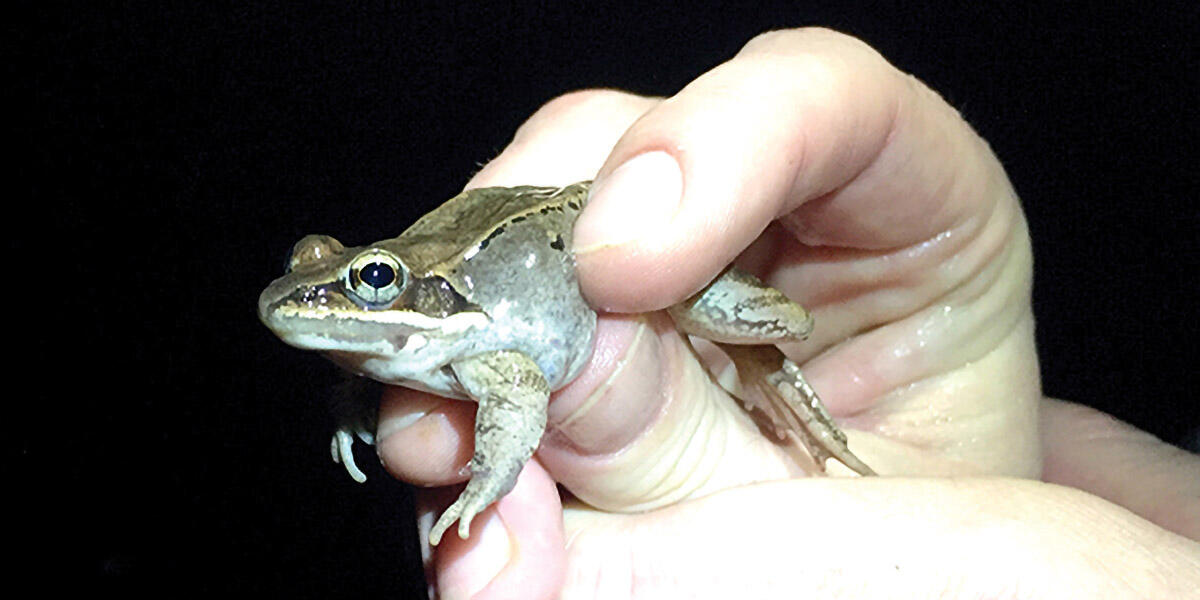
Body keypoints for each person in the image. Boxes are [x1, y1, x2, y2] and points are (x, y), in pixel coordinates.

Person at [373, 28, 1200, 599]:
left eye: (372, 280)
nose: (328, 300)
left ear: (406, 282)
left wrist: (489, 482)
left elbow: (516, 380)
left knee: (715, 304)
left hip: (602, 254)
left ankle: (775, 346)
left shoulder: (481, 352)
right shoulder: (1113, 457)